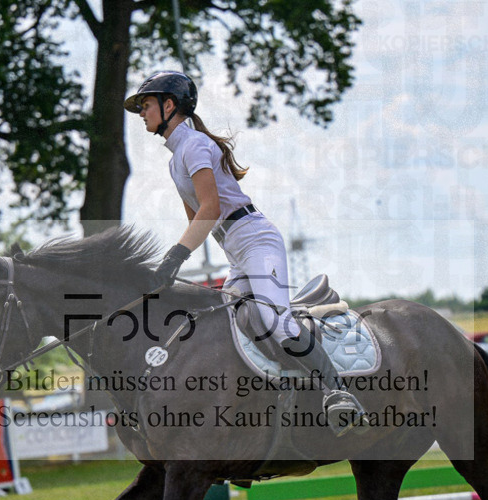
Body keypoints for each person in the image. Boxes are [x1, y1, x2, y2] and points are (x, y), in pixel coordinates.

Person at [123, 71, 366, 435]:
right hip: (235, 250)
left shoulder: (194, 146)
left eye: (146, 105)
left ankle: (338, 392)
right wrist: (173, 264)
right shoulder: (175, 160)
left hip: (255, 240)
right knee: (227, 326)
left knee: (272, 320)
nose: (142, 113)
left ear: (168, 105)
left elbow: (210, 208)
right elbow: (196, 220)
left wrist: (173, 258)